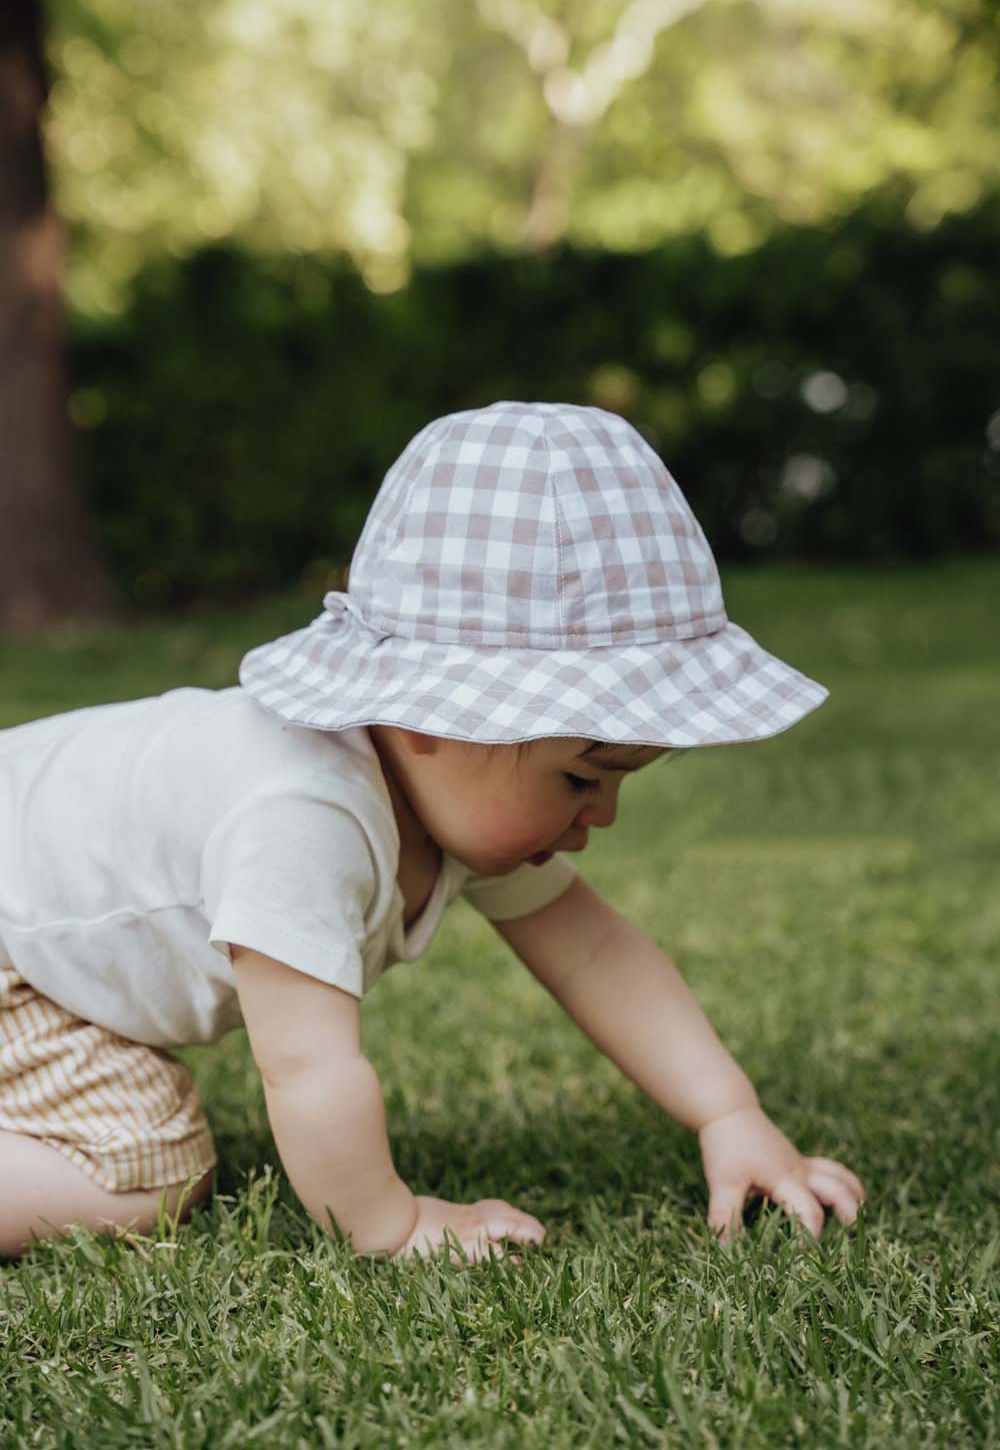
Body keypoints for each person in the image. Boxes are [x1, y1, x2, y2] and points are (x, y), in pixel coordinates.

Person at [0, 402, 865, 1260]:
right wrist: (394, 1224)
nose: (602, 814)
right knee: (147, 1169)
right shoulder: (304, 812)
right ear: (428, 716)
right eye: (580, 776)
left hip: (36, 949)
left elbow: (598, 954)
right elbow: (306, 1066)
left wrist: (729, 1112)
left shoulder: (452, 789)